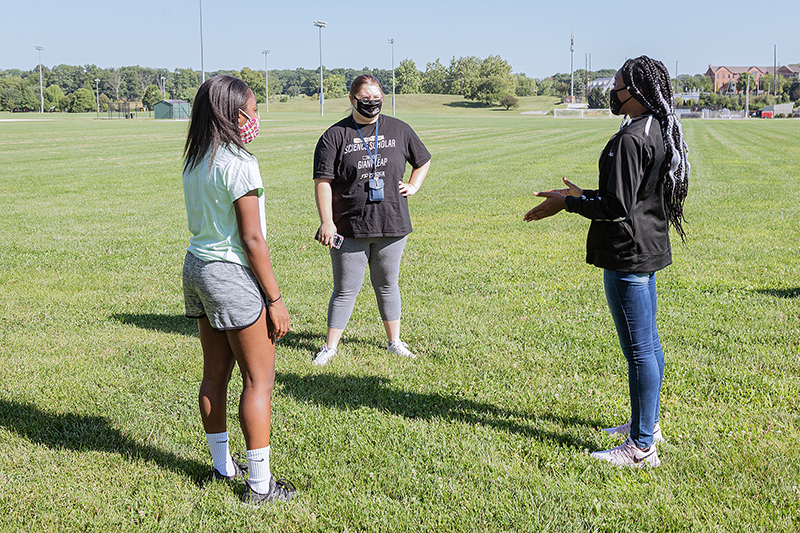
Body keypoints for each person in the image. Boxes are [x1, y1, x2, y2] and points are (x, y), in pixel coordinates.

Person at [523, 56, 689, 467]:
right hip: (646, 247)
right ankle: (644, 423)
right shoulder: (655, 128)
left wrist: (569, 203)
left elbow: (617, 206)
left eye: (616, 86)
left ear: (637, 91)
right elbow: (630, 195)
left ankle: (641, 446)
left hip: (628, 253)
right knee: (648, 344)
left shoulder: (632, 137)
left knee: (639, 350)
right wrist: (584, 195)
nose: (612, 92)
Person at [181, 75, 296, 502]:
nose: (256, 117)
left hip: (197, 268)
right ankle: (261, 487)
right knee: (258, 381)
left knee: (214, 378)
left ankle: (220, 468)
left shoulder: (196, 159)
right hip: (231, 275)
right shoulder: (239, 163)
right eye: (252, 108)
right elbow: (252, 240)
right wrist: (275, 300)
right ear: (234, 115)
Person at [312, 74, 432, 366]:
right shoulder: (335, 135)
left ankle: (395, 342)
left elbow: (423, 159)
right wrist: (327, 222)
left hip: (391, 222)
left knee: (388, 284)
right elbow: (323, 181)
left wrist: (414, 185)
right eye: (365, 99)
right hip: (349, 225)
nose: (371, 104)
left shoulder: (399, 129)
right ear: (352, 99)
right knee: (344, 288)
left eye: (376, 98)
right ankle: (330, 348)